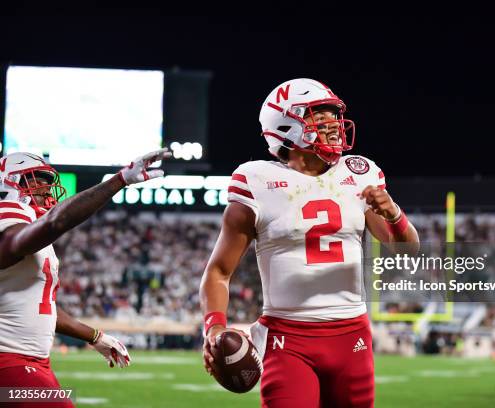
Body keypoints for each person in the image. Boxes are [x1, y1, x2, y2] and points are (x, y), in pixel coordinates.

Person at [200, 78, 419, 408]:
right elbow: (218, 271)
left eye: (334, 114)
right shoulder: (257, 181)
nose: (333, 124)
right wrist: (213, 328)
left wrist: (394, 215)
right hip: (287, 340)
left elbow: (408, 252)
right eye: (320, 115)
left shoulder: (360, 174)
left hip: (352, 337)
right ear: (286, 124)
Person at [0, 149, 171, 407]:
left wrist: (95, 337)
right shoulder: (9, 217)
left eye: (48, 184)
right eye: (37, 183)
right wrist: (119, 180)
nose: (46, 192)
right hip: (10, 363)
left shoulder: (29, 228)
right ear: (8, 184)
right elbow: (55, 223)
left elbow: (39, 308)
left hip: (30, 363)